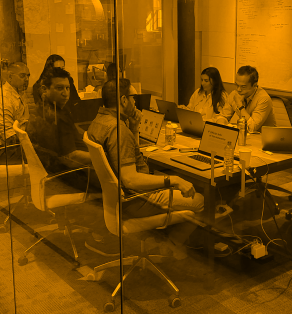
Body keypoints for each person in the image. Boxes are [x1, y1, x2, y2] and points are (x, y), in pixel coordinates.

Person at [86, 78, 205, 257]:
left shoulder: (99, 121)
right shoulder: (118, 131)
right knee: (200, 200)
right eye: (133, 98)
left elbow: (123, 159)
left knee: (170, 181)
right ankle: (168, 246)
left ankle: (158, 240)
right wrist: (174, 180)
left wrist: (133, 128)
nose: (135, 102)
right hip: (136, 199)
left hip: (116, 199)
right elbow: (130, 179)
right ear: (123, 100)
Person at [26, 67, 94, 185]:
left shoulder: (41, 109)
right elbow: (70, 158)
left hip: (50, 173)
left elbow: (71, 131)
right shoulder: (56, 118)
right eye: (59, 88)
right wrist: (102, 157)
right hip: (70, 176)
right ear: (44, 89)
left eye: (67, 88)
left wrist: (89, 136)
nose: (65, 93)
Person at [0, 62, 30, 164]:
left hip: (16, 145)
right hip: (2, 151)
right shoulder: (2, 99)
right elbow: (10, 138)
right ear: (10, 77)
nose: (27, 79)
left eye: (28, 76)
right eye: (22, 76)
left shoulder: (18, 92)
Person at [216, 65, 276, 131]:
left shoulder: (264, 99)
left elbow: (252, 128)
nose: (238, 89)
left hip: (262, 138)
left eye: (243, 87)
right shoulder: (234, 94)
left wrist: (240, 106)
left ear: (254, 85)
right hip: (245, 136)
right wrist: (221, 125)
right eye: (237, 85)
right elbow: (223, 116)